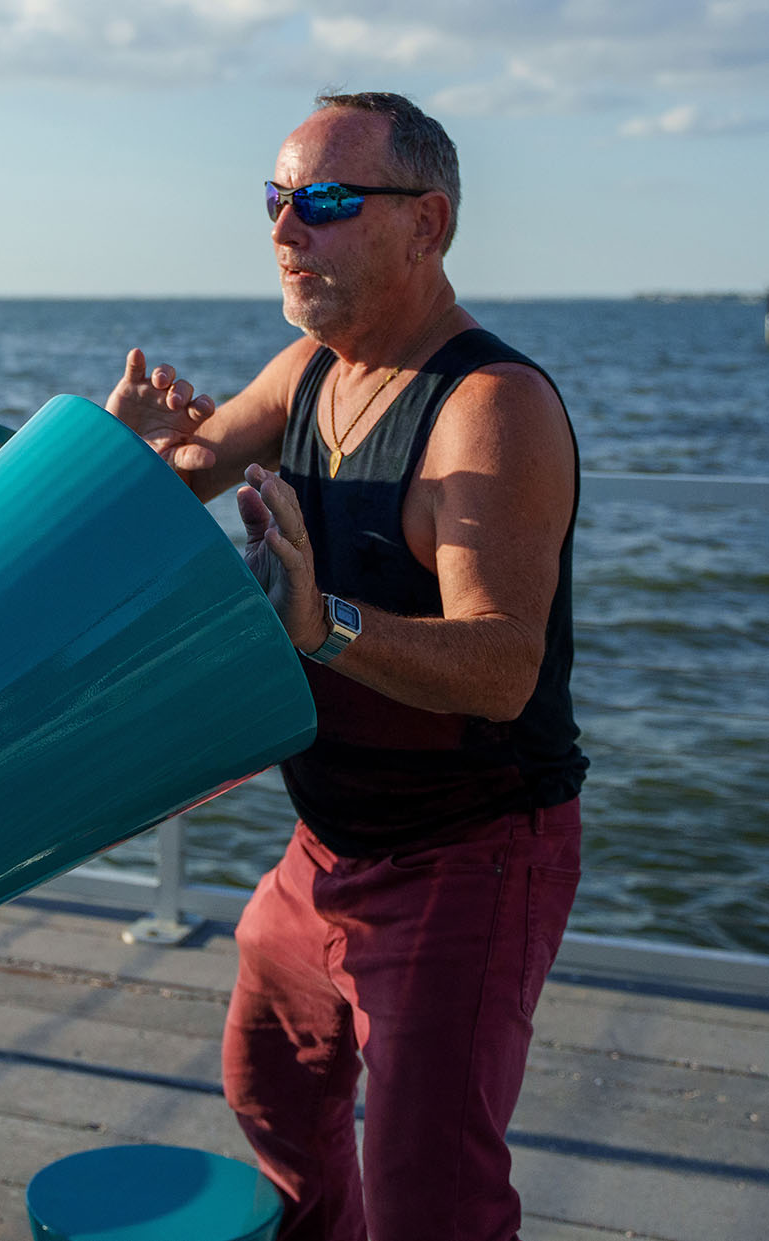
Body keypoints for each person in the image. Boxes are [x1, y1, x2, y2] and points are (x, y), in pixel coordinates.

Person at [105, 92, 588, 1241]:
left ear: (425, 225)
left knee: (434, 1201)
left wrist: (322, 625)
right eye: (274, 200)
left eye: (321, 202)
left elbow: (500, 667)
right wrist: (124, 449)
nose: (283, 229)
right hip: (322, 843)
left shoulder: (488, 410)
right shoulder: (313, 367)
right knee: (267, 1089)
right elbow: (186, 470)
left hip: (464, 855)